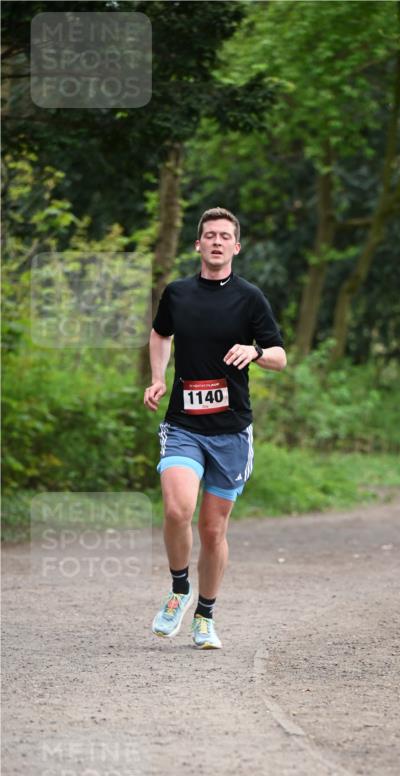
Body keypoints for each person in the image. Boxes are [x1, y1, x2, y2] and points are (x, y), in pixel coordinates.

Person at [143, 207, 286, 648]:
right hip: (185, 423)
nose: (218, 241)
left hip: (230, 433)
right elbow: (160, 334)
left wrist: (256, 351)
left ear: (236, 247)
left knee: (212, 530)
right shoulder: (178, 294)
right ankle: (179, 589)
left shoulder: (250, 298)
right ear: (198, 245)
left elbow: (280, 356)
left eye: (226, 236)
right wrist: (158, 377)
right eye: (210, 235)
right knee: (176, 509)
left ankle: (205, 615)